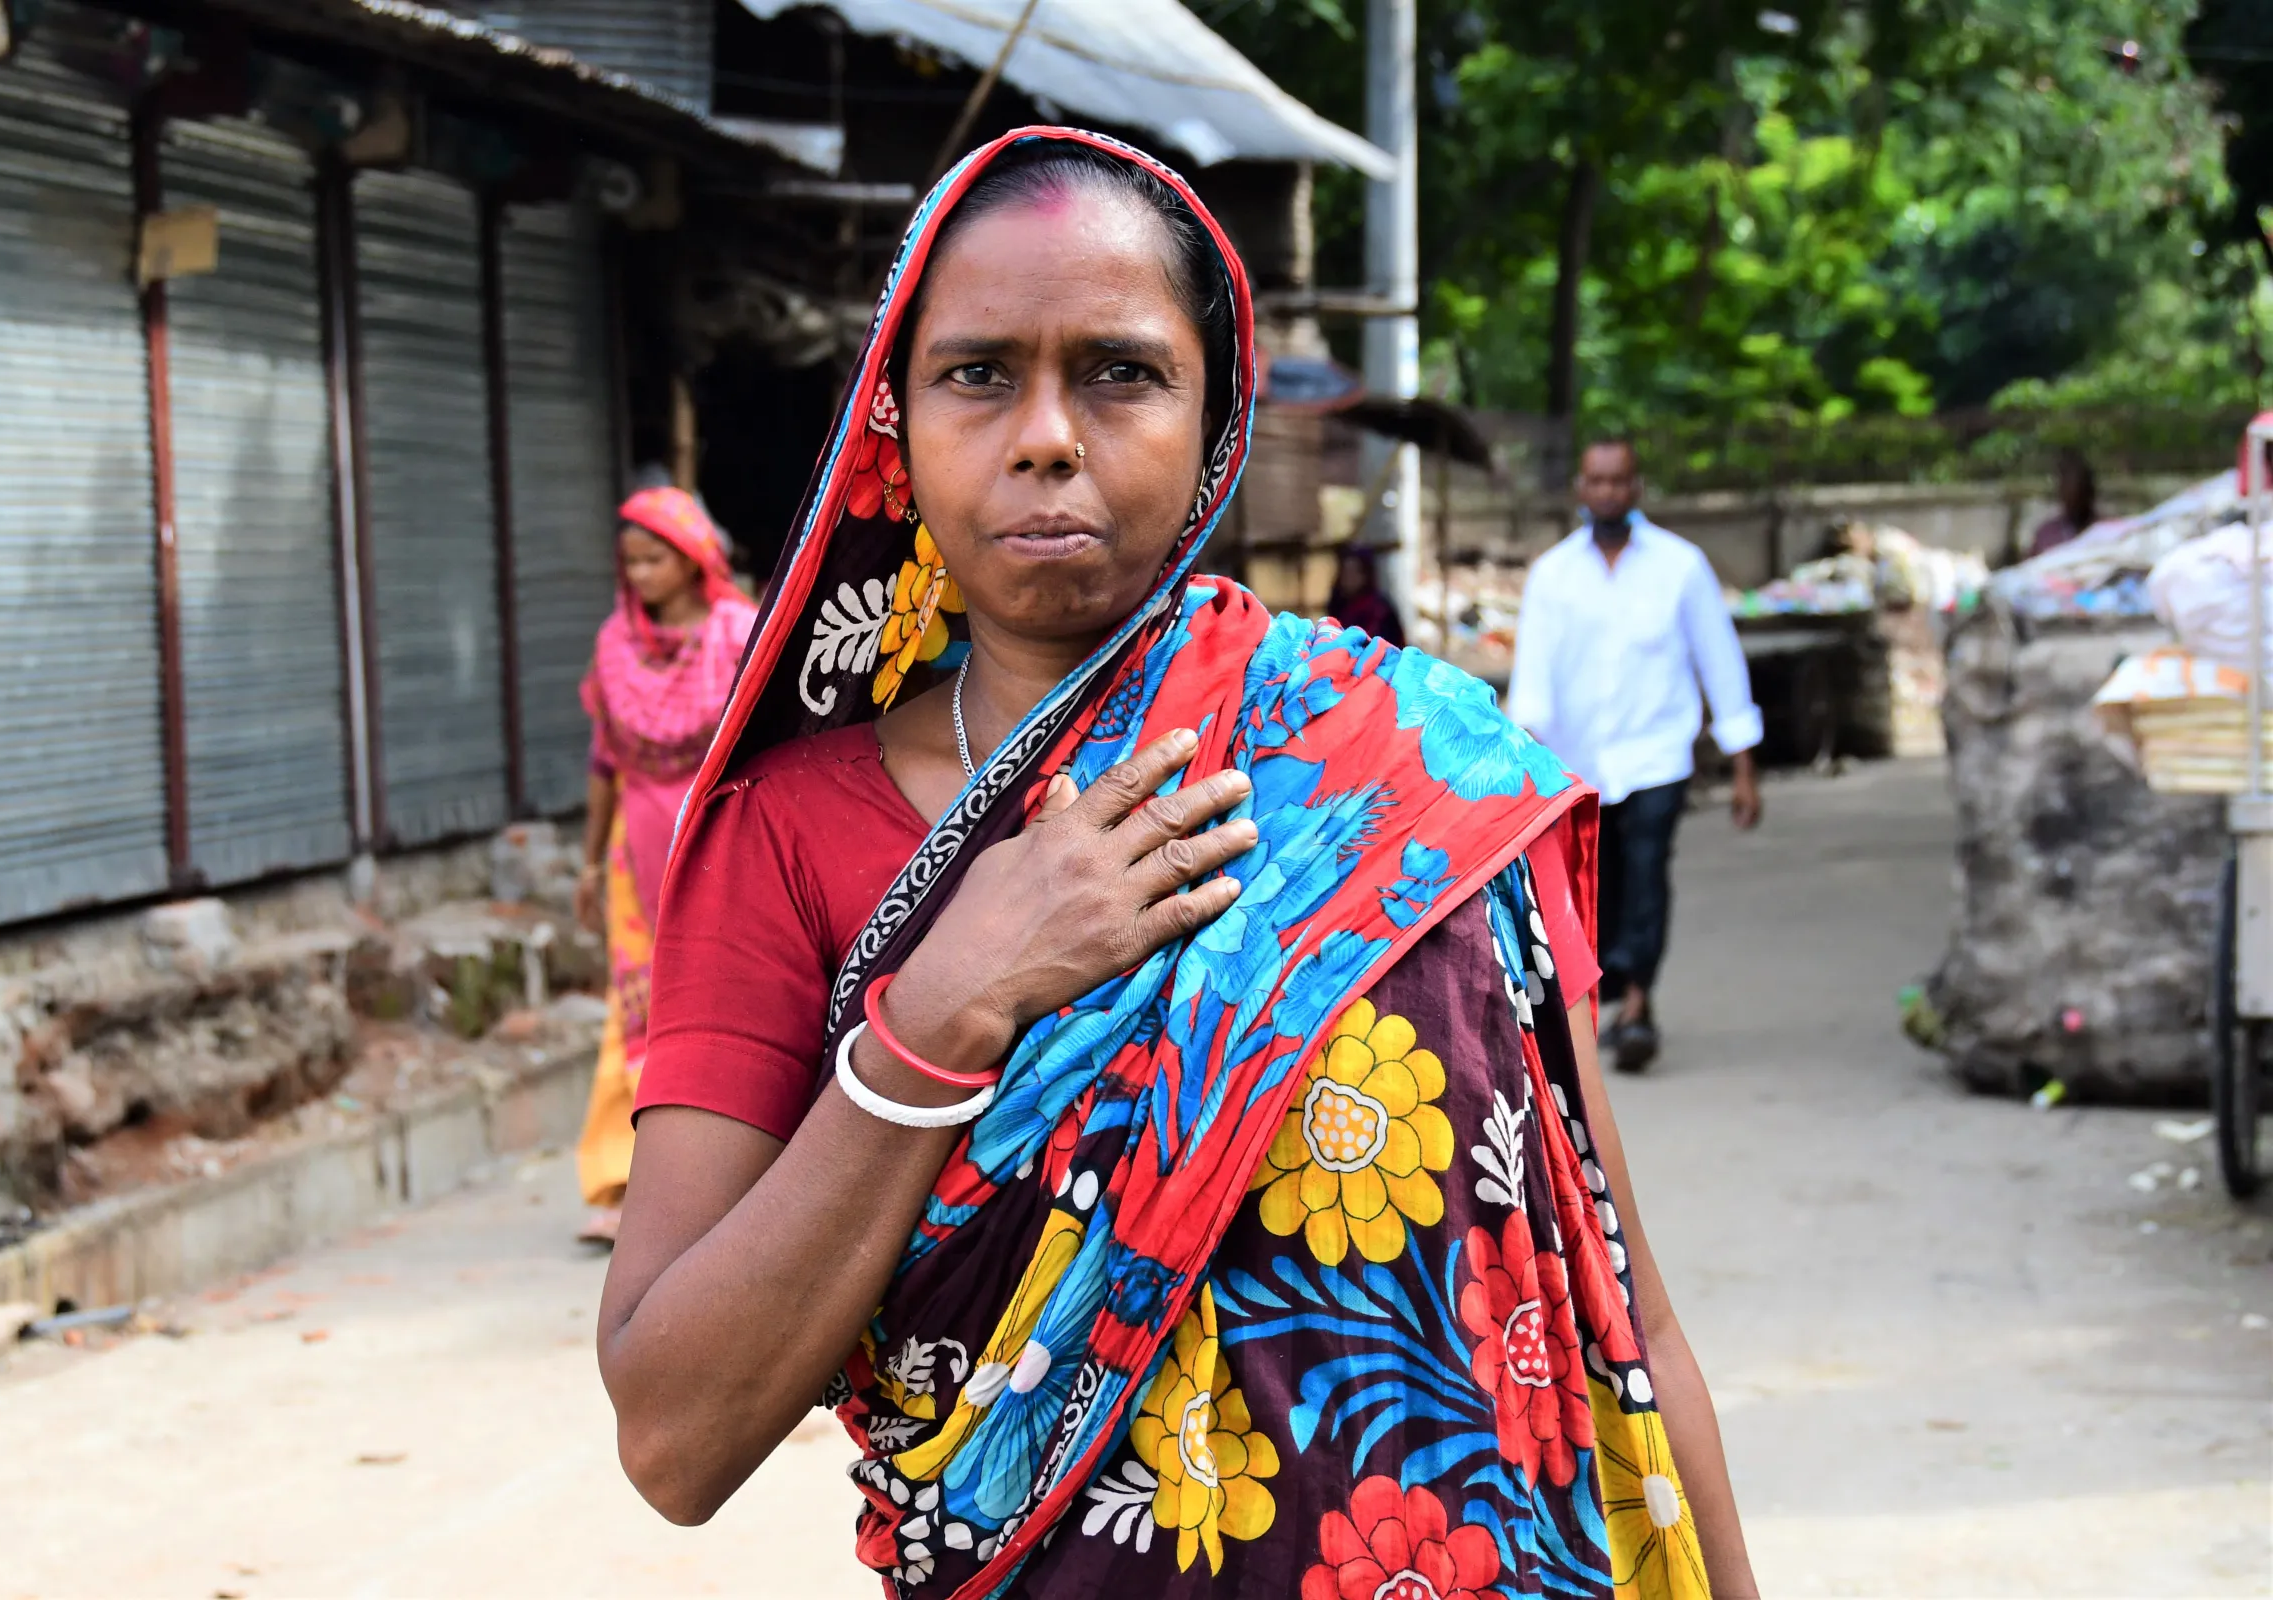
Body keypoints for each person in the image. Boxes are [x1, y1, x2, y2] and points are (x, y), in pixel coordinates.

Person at [599, 130, 1757, 1599]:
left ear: (1219, 421)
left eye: (1118, 371)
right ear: (895, 419)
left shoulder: (1416, 776)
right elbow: (672, 1437)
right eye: (975, 374)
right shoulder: (788, 831)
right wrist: (945, 1010)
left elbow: (1622, 1321)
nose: (1045, 435)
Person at [1507, 439, 1763, 1075]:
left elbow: (1720, 662)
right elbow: (1532, 679)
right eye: (1596, 482)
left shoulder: (1680, 567)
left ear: (1636, 487)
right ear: (1580, 488)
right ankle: (1604, 994)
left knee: (1647, 873)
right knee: (1595, 884)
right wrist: (1522, 772)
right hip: (1577, 763)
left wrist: (1743, 766)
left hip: (1657, 757)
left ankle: (1639, 1006)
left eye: (1619, 481)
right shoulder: (1553, 576)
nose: (1608, 493)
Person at [570, 486, 756, 1246]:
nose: (640, 574)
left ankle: (727, 1176)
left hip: (723, 838)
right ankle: (621, 1182)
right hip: (634, 850)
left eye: (654, 559)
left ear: (692, 561)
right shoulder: (615, 644)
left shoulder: (741, 634)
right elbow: (604, 758)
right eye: (631, 562)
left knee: (729, 1000)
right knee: (635, 1008)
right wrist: (587, 863)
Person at [1324, 543, 1405, 645]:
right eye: (1345, 572)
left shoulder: (1379, 610)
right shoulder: (1338, 606)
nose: (1348, 578)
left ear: (1365, 575)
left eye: (1354, 572)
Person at [2026, 448, 2097, 556]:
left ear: (2090, 492)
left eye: (2080, 490)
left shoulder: (2107, 532)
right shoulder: (2047, 535)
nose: (2074, 498)